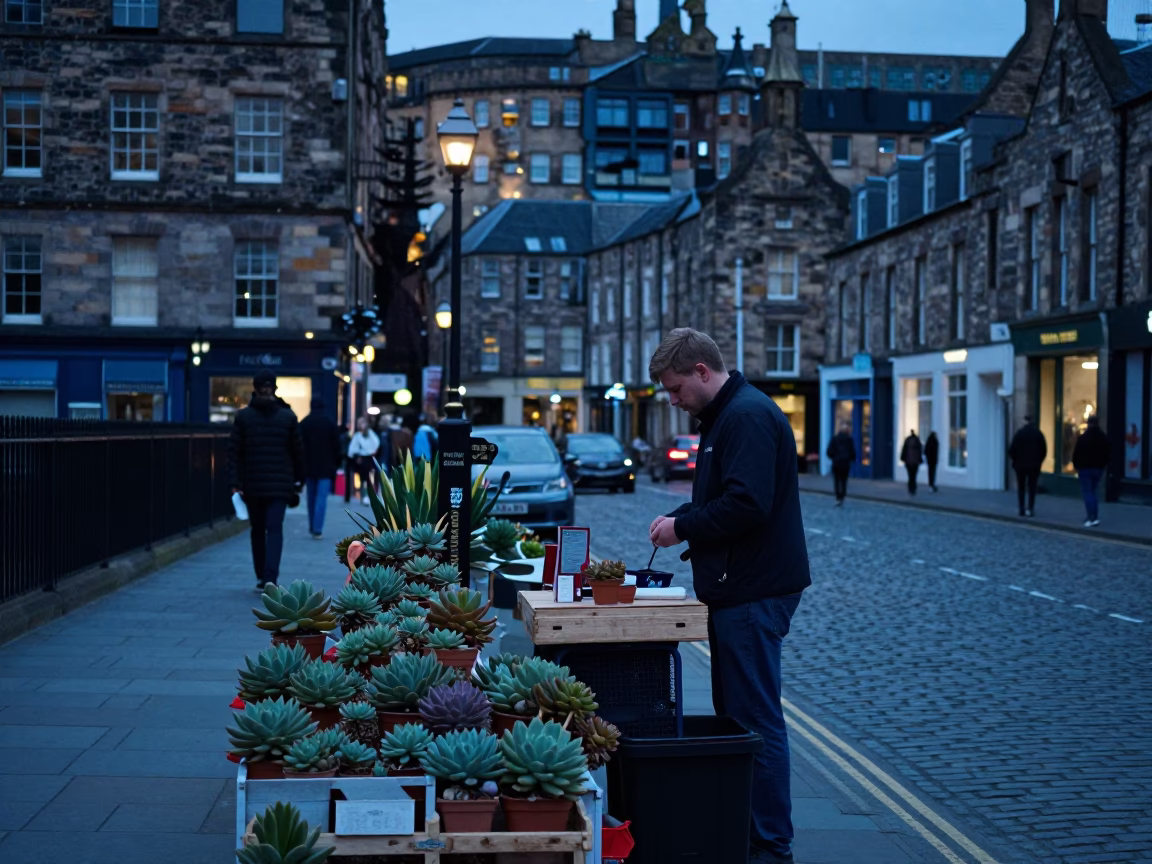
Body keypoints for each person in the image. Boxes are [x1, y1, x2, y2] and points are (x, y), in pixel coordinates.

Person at [646, 328, 810, 864]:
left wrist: (682, 526)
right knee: (738, 714)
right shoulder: (726, 416)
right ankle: (751, 832)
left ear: (700, 371)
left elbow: (747, 504)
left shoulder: (745, 417)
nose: (672, 400)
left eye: (674, 389)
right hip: (739, 589)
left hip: (754, 592)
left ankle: (769, 845)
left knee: (754, 720)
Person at [228, 370, 305, 590]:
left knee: (257, 529)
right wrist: (299, 480)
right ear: (275, 389)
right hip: (281, 484)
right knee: (275, 529)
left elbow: (234, 452)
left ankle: (261, 573)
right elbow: (298, 452)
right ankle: (271, 576)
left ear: (255, 389)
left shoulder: (243, 417)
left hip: (252, 483)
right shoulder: (288, 417)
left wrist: (235, 481)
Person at [299, 397, 342, 539]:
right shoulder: (329, 423)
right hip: (326, 466)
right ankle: (318, 528)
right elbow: (337, 446)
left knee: (310, 497)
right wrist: (337, 463)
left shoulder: (305, 423)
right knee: (321, 498)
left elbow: (299, 446)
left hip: (309, 466)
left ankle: (312, 525)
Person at [1072, 415, 1111, 527]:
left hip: (1085, 469)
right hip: (1098, 469)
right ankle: (1094, 516)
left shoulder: (1083, 437)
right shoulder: (1103, 437)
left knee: (1088, 493)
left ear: (1088, 423)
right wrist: (1103, 465)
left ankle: (1091, 517)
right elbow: (1108, 453)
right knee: (1093, 492)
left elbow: (1076, 454)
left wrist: (1077, 466)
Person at [1008, 416, 1047, 517]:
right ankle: (1030, 508)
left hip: (1020, 465)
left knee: (1021, 487)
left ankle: (1021, 508)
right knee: (1032, 487)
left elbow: (1012, 450)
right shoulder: (1038, 434)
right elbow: (1044, 450)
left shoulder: (1019, 434)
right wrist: (1039, 461)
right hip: (1034, 465)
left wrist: (1016, 460)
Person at [347, 416, 380, 505]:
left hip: (370, 458)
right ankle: (364, 496)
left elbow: (376, 443)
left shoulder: (370, 434)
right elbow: (352, 449)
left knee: (371, 478)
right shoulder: (357, 436)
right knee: (363, 479)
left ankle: (371, 496)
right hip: (361, 459)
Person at [825, 426, 856, 506]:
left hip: (837, 462)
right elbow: (852, 452)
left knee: (837, 480)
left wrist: (834, 457)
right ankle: (842, 495)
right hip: (845, 463)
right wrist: (851, 458)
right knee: (844, 480)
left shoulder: (835, 439)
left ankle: (838, 496)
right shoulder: (849, 440)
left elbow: (829, 451)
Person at [901, 430, 923, 496]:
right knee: (914, 476)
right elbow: (920, 451)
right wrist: (919, 460)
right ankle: (913, 488)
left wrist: (903, 459)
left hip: (908, 461)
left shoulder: (907, 440)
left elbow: (904, 450)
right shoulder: (917, 441)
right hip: (915, 462)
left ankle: (910, 488)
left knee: (910, 476)